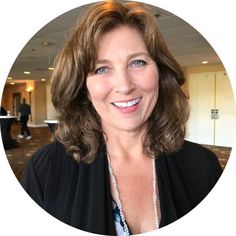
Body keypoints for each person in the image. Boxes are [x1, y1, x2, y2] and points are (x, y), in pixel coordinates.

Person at [20, 1, 222, 235]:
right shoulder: (46, 170)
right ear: (83, 86)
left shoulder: (204, 166)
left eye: (138, 62)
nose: (124, 86)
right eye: (101, 69)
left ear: (160, 72)